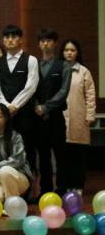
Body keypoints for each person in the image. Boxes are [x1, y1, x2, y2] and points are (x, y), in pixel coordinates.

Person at [0, 25, 39, 196]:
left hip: (25, 113)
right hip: (5, 115)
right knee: (6, 149)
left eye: (14, 37)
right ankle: (8, 188)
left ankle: (30, 189)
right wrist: (6, 107)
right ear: (3, 40)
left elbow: (31, 86)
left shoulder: (31, 60)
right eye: (7, 37)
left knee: (28, 149)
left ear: (20, 39)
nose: (10, 40)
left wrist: (15, 105)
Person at [34, 28, 71, 194]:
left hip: (56, 117)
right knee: (43, 156)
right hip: (38, 118)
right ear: (38, 44)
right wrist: (37, 106)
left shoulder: (63, 65)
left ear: (55, 43)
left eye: (48, 40)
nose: (45, 44)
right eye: (42, 41)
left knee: (60, 154)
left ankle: (62, 189)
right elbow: (30, 89)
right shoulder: (34, 65)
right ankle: (45, 190)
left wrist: (46, 107)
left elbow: (63, 92)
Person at [61, 39, 96, 194]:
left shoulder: (84, 72)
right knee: (64, 156)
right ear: (62, 52)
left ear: (77, 53)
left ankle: (78, 186)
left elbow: (90, 95)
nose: (69, 53)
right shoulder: (59, 69)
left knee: (79, 156)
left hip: (79, 118)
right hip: (61, 119)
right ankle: (67, 185)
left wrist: (90, 115)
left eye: (72, 50)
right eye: (66, 50)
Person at [0, 104, 32, 202]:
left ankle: (12, 205)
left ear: (6, 118)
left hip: (20, 176)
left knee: (4, 171)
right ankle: (10, 198)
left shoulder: (15, 136)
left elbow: (18, 160)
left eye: (0, 116)